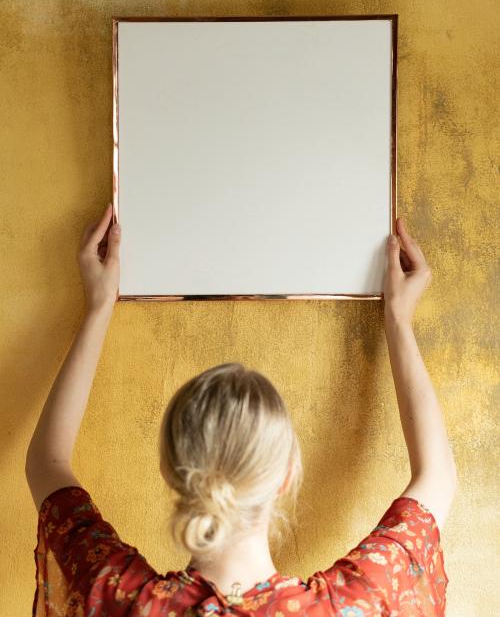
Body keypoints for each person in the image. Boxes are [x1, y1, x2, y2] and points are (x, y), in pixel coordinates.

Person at [26, 204, 457, 616]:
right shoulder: (347, 606)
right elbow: (436, 477)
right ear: (287, 475)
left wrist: (99, 307)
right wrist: (398, 319)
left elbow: (48, 463)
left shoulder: (120, 597)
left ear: (172, 471)